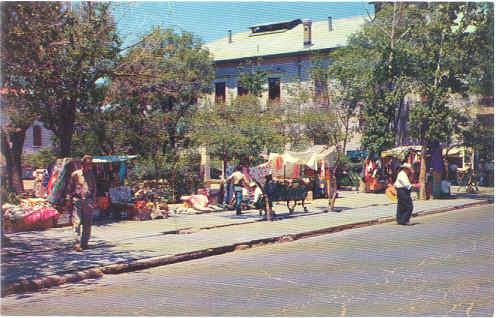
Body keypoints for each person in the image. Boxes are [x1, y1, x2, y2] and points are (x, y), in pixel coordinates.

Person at [67, 155, 97, 250]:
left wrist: (93, 199)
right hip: (78, 200)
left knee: (87, 223)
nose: (89, 166)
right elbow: (70, 187)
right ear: (82, 164)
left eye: (90, 164)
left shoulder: (91, 175)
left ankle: (85, 243)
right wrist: (68, 198)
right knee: (77, 222)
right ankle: (77, 244)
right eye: (87, 164)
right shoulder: (76, 174)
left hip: (88, 201)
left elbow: (94, 188)